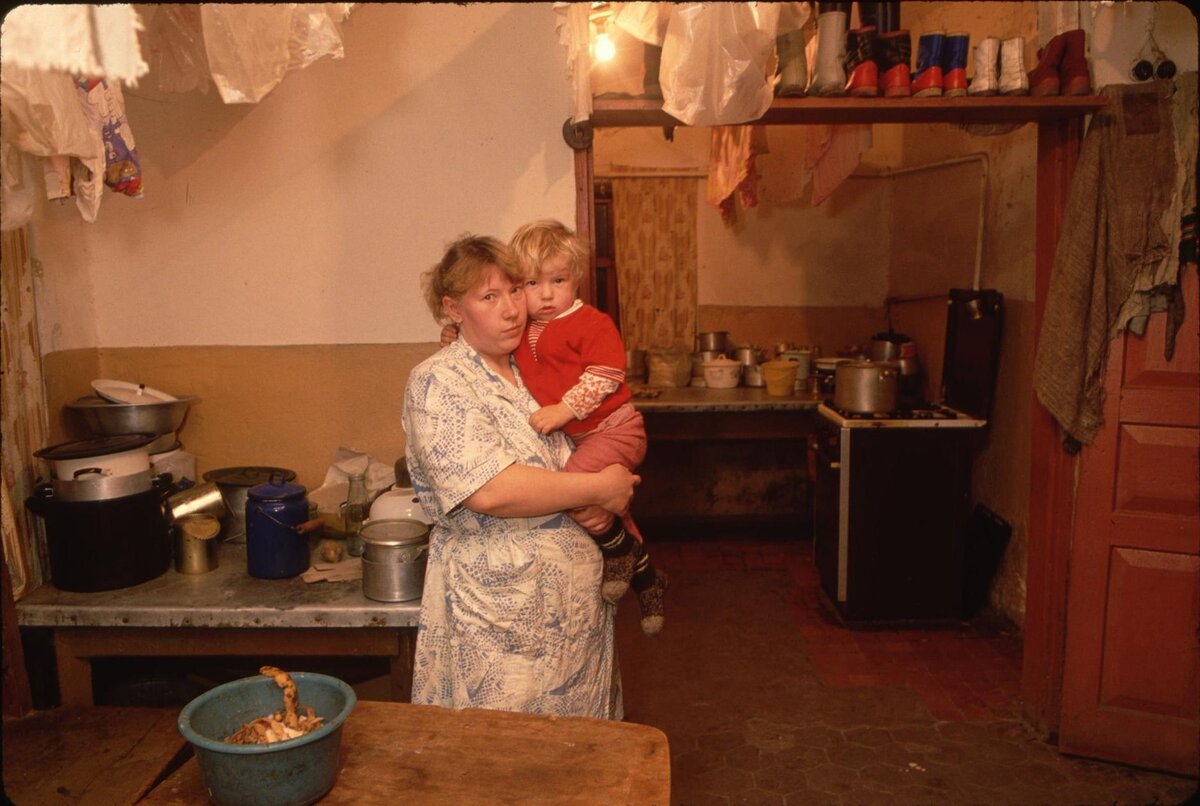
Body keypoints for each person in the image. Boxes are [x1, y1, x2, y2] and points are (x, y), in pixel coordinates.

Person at [402, 234, 638, 719]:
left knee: (580, 767)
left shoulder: (533, 370)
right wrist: (598, 488)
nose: (512, 309)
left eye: (515, 291)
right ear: (454, 309)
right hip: (499, 627)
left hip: (576, 621)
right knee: (504, 772)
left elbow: (584, 447)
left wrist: (606, 493)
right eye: (489, 297)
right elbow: (489, 489)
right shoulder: (439, 381)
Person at [443, 219, 668, 635]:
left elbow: (604, 374)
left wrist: (564, 410)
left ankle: (625, 557)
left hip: (614, 428)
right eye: (529, 284)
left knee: (577, 487)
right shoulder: (524, 329)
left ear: (577, 280)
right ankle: (642, 568)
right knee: (594, 497)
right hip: (585, 438)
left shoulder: (591, 323)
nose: (544, 295)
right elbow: (490, 342)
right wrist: (454, 333)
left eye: (558, 280)